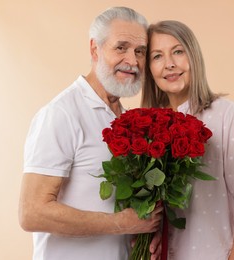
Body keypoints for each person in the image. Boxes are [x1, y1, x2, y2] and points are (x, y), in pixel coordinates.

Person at [18, 7, 163, 260]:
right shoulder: (62, 114)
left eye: (140, 51)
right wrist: (122, 223)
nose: (132, 61)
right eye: (121, 47)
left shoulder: (127, 119)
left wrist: (146, 235)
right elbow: (32, 212)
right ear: (95, 49)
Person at [141, 20, 234, 260]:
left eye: (178, 51)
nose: (170, 63)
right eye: (157, 56)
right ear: (149, 68)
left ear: (194, 56)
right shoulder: (148, 129)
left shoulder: (226, 115)